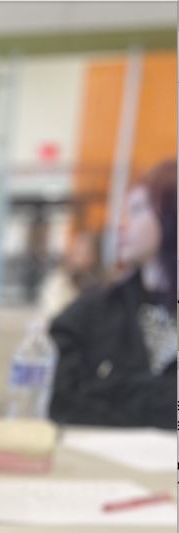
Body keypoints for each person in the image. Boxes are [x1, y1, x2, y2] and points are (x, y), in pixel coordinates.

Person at [48, 160, 176, 429]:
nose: (121, 224)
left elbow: (89, 394)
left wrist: (111, 390)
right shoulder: (95, 309)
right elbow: (58, 396)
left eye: (138, 210)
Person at [37, 229, 103, 323]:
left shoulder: (101, 284)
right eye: (78, 251)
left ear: (96, 256)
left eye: (86, 252)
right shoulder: (60, 280)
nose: (80, 257)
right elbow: (53, 311)